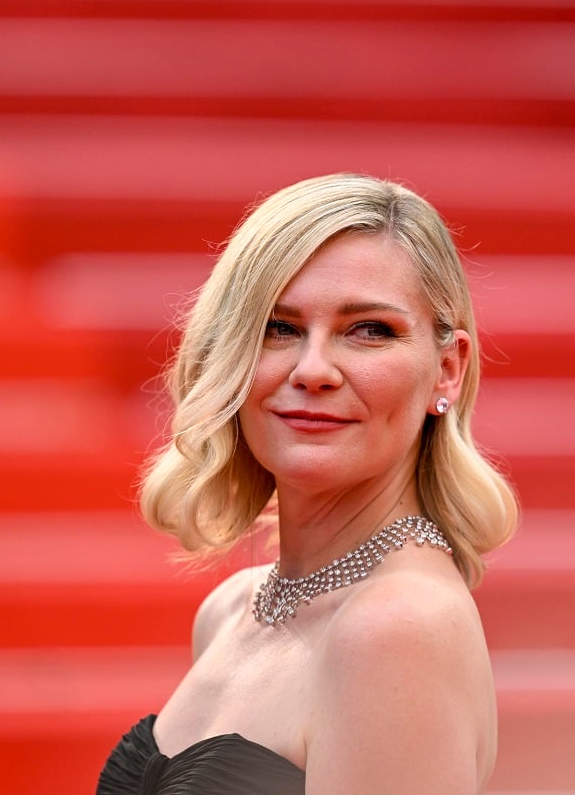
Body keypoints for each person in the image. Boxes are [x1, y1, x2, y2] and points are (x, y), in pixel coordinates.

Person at [97, 173, 520, 794]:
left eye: (370, 329)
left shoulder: (397, 628)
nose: (313, 369)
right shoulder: (231, 609)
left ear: (447, 370)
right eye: (278, 327)